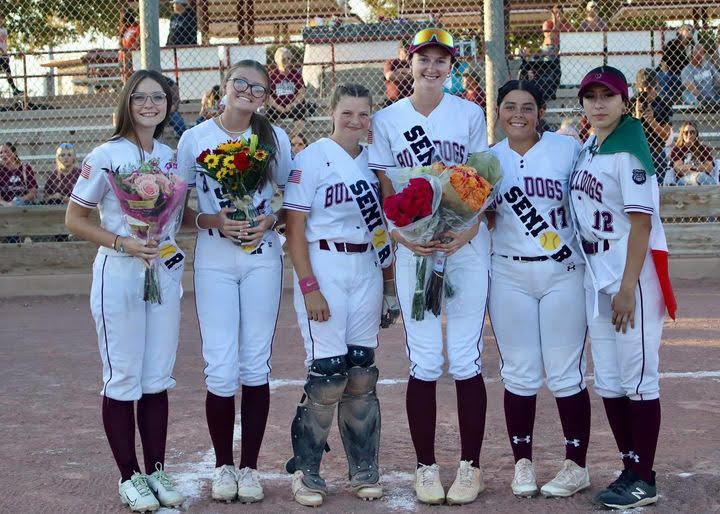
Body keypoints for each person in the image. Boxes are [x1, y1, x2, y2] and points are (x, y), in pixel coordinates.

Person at [369, 27, 490, 506]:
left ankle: (470, 466)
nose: (432, 68)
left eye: (442, 61)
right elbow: (384, 185)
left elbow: (480, 181)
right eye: (425, 59)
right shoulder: (386, 119)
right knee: (424, 359)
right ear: (411, 63)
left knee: (464, 358)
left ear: (451, 67)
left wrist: (469, 231)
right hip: (414, 246)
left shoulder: (469, 113)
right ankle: (425, 467)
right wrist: (402, 234)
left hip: (464, 246)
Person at [64, 69, 188, 513]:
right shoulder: (105, 155)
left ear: (168, 105)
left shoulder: (172, 157)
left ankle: (155, 469)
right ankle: (129, 476)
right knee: (123, 379)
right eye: (141, 97)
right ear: (127, 103)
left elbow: (179, 218)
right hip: (119, 271)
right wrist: (123, 241)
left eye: (159, 97)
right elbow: (74, 220)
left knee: (156, 378)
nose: (150, 105)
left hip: (163, 272)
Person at [177, 59, 292, 504]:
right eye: (240, 83)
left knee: (254, 363)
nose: (247, 91)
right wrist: (213, 221)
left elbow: (294, 199)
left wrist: (271, 220)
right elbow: (175, 210)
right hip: (216, 258)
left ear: (265, 97)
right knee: (220, 366)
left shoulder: (274, 137)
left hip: (262, 258)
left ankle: (249, 468)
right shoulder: (196, 139)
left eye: (257, 88)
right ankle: (224, 465)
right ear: (224, 88)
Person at [283, 83, 395, 507]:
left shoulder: (375, 162)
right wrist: (309, 287)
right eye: (347, 113)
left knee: (361, 372)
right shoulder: (311, 159)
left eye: (363, 114)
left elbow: (384, 227)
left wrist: (388, 285)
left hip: (366, 266)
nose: (355, 121)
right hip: (324, 265)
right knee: (328, 373)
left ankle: (364, 468)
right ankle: (307, 471)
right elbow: (294, 230)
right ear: (332, 113)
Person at [570, 65, 675, 510]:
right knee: (610, 381)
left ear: (624, 101)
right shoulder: (591, 146)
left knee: (638, 380)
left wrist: (629, 286)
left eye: (607, 96)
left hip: (629, 276)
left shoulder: (630, 150)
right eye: (590, 96)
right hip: (598, 276)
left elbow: (641, 224)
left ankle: (644, 478)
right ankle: (630, 467)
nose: (598, 104)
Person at [488, 80, 591, 500]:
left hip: (562, 272)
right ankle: (522, 463)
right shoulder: (487, 160)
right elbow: (481, 215)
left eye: (527, 107)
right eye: (509, 106)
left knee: (566, 373)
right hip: (509, 275)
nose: (518, 114)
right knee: (520, 372)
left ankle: (575, 465)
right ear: (497, 112)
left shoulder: (567, 149)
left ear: (541, 111)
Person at [633, 68, 672, 183]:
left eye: (649, 88)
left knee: (656, 189)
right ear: (637, 87)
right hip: (635, 151)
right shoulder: (631, 102)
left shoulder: (663, 104)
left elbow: (665, 135)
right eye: (642, 88)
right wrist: (637, 116)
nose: (645, 91)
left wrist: (651, 120)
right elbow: (626, 132)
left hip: (656, 152)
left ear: (655, 86)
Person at [265, 47, 316, 132]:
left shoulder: (296, 74)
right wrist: (279, 107)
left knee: (301, 108)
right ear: (277, 60)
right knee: (268, 114)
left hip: (293, 107)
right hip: (277, 108)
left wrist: (292, 105)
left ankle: (294, 138)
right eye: (283, 59)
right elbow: (267, 96)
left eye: (289, 58)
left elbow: (302, 93)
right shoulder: (271, 76)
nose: (287, 61)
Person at [669, 121, 717, 185]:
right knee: (702, 177)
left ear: (696, 134)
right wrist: (698, 169)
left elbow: (709, 167)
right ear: (682, 134)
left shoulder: (703, 148)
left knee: (701, 177)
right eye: (686, 132)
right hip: (683, 179)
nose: (689, 135)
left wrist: (692, 168)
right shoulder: (677, 149)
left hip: (702, 177)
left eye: (692, 132)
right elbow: (679, 169)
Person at [681, 43, 720, 108]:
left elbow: (718, 77)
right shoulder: (686, 70)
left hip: (713, 96)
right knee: (686, 94)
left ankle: (713, 103)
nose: (699, 55)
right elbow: (691, 87)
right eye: (696, 52)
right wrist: (702, 99)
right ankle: (701, 105)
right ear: (691, 55)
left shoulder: (708, 65)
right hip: (698, 98)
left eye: (701, 53)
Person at [383, 43, 413, 107]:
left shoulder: (413, 63)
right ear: (400, 52)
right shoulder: (391, 62)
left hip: (410, 100)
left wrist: (399, 71)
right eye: (405, 51)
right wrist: (409, 75)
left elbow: (416, 75)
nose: (408, 53)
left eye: (409, 51)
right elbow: (390, 76)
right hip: (393, 100)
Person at [0, 13, 21, 96]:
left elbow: (5, 42)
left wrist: (6, 52)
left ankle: (14, 89)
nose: (1, 20)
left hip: (4, 55)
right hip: (1, 54)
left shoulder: (4, 30)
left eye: (2, 18)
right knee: (7, 70)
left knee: (8, 72)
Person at [119, 9, 140, 81]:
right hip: (123, 56)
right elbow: (120, 43)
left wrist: (129, 53)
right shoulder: (125, 28)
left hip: (132, 57)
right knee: (124, 78)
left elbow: (137, 43)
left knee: (132, 78)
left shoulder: (138, 27)